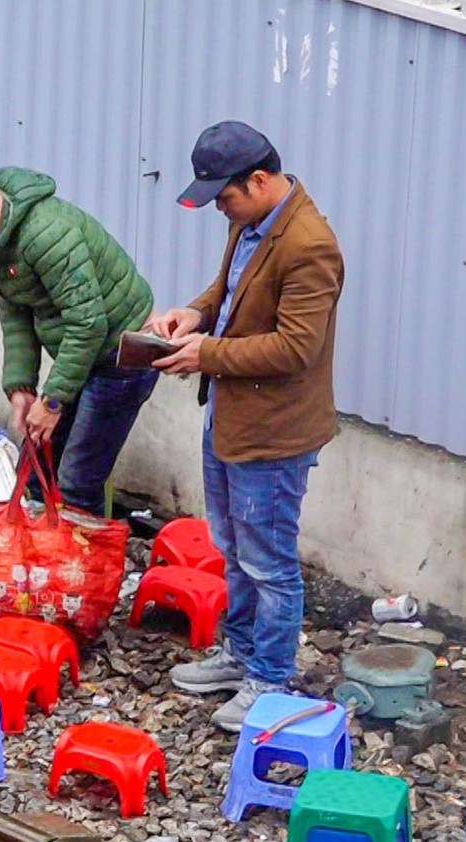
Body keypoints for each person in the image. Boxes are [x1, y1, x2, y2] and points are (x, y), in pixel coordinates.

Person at [148, 121, 344, 732]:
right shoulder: (250, 220)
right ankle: (240, 654)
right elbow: (230, 291)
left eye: (224, 196)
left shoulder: (311, 245)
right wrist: (195, 311)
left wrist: (206, 353)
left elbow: (296, 349)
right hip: (231, 418)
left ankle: (271, 675)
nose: (219, 210)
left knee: (269, 560)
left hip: (275, 434)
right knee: (232, 547)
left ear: (258, 180)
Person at [0, 165, 158, 515]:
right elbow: (15, 310)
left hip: (122, 353)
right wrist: (21, 387)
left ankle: (84, 563)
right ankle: (40, 551)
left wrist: (52, 402)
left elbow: (88, 324)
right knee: (38, 464)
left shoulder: (47, 233)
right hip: (85, 349)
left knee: (77, 480)